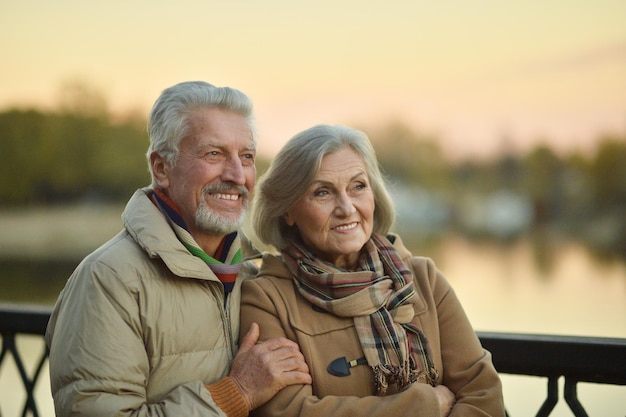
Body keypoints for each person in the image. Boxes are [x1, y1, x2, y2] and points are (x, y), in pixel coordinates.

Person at [45, 81, 311, 417]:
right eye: (214, 154)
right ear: (161, 168)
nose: (236, 174)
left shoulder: (254, 274)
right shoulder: (108, 280)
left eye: (246, 157)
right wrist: (236, 393)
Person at [240, 124, 506, 417]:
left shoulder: (424, 279)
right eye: (323, 192)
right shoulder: (266, 299)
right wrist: (424, 407)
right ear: (287, 210)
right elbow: (290, 413)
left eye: (358, 186)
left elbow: (483, 394)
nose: (347, 208)